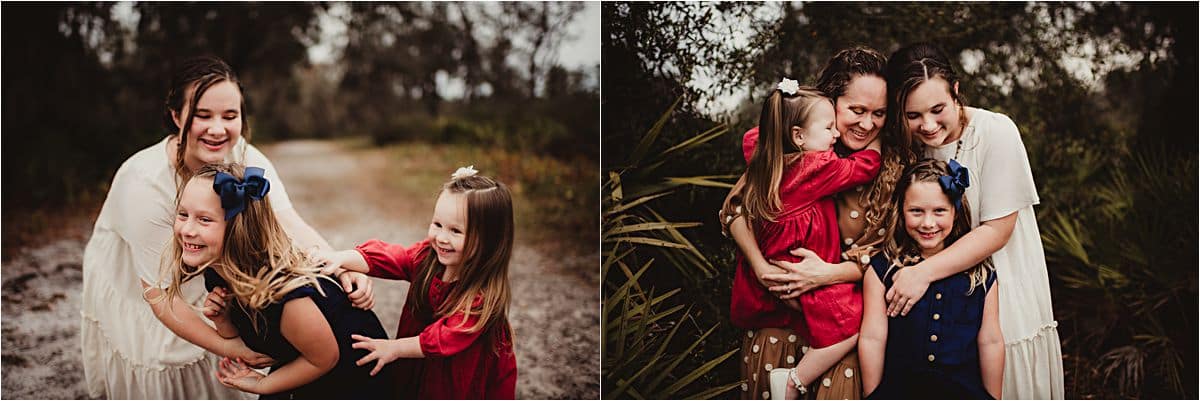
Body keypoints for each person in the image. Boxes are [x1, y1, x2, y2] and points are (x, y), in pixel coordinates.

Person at [80, 56, 374, 399]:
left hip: (214, 274)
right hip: (149, 283)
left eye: (230, 116)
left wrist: (340, 262)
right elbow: (159, 294)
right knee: (170, 367)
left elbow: (288, 222)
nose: (218, 129)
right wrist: (232, 346)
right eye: (203, 115)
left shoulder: (245, 158)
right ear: (176, 116)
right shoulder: (143, 185)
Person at [721, 47, 916, 399]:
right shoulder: (792, 152)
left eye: (879, 114)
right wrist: (760, 265)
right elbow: (734, 210)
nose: (867, 124)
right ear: (832, 100)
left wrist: (826, 273)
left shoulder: (895, 169)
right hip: (780, 326)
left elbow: (897, 252)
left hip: (843, 326)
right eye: (856, 110)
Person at [881, 42, 1064, 399]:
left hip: (1005, 289)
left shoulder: (995, 131)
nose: (928, 125)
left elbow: (998, 230)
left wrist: (920, 274)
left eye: (937, 109)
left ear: (956, 91)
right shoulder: (909, 147)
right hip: (942, 305)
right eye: (912, 115)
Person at [147, 163, 394, 399]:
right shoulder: (217, 270)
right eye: (182, 214)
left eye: (204, 219)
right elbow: (251, 336)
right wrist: (222, 321)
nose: (187, 229)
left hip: (350, 380)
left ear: (238, 228)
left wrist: (263, 384)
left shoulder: (283, 293)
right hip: (304, 365)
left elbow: (323, 358)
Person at [316, 166, 518, 399]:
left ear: (488, 240)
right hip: (419, 364)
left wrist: (394, 348)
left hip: (456, 377)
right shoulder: (428, 258)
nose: (442, 238)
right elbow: (393, 257)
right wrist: (341, 257)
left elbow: (445, 337)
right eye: (438, 225)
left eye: (456, 231)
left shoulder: (482, 298)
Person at [859, 158, 1004, 399]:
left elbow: (990, 341)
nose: (928, 223)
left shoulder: (981, 275)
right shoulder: (882, 271)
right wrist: (873, 395)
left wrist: (993, 397)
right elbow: (873, 337)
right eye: (916, 211)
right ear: (901, 211)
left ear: (955, 212)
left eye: (939, 211)